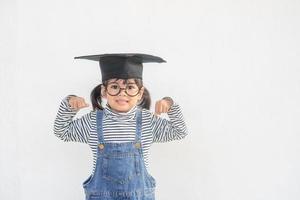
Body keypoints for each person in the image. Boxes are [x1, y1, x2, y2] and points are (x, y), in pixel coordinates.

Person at [53, 53, 188, 200]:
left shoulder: (148, 121)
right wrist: (70, 103)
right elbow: (62, 131)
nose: (122, 93)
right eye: (115, 87)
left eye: (130, 87)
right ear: (104, 91)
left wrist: (170, 104)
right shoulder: (92, 122)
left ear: (140, 93)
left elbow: (179, 131)